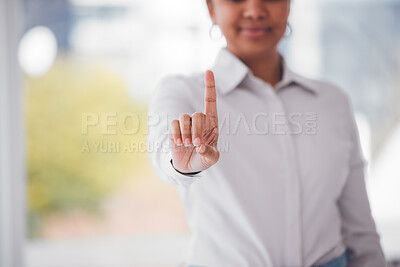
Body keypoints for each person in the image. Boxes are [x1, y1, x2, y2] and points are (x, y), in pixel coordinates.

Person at [147, 0, 386, 266]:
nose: (255, 10)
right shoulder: (182, 92)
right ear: (211, 9)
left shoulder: (333, 101)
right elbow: (163, 153)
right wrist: (183, 164)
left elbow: (360, 229)